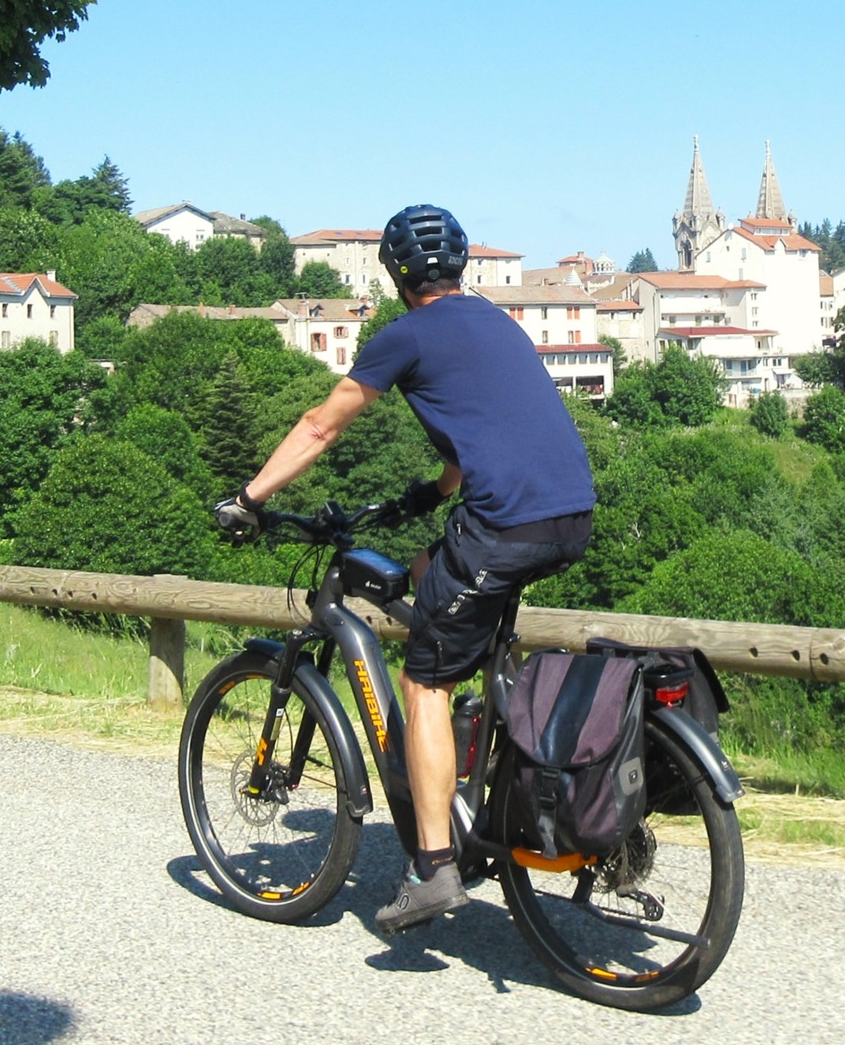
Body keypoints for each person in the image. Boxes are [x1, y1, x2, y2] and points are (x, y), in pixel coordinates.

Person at [211, 204, 594, 934]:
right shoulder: (495, 321)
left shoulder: (406, 336)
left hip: (506, 524)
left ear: (394, 273)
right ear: (460, 267)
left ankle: (435, 867)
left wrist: (250, 497)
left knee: (424, 683)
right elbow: (483, 425)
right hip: (569, 514)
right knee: (426, 570)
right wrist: (430, 493)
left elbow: (322, 424)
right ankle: (480, 780)